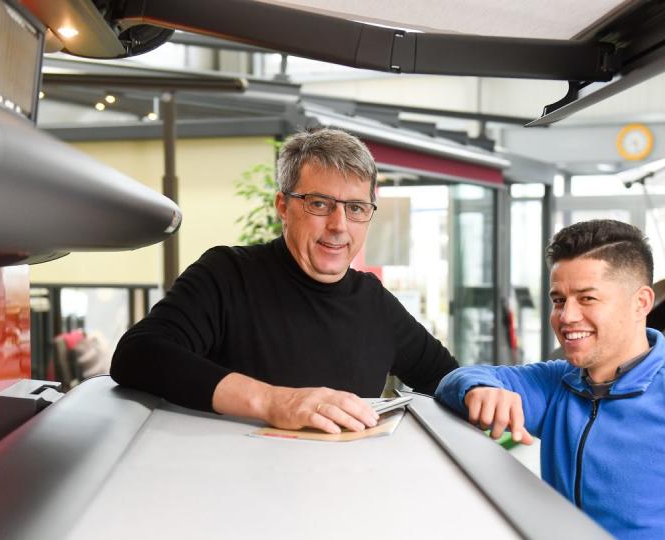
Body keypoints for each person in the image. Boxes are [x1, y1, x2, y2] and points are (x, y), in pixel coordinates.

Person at [435, 220, 665, 539]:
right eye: (558, 300)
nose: (566, 317)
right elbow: (456, 379)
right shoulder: (557, 383)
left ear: (641, 302)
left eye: (587, 298)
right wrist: (479, 389)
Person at [112, 128, 457, 435]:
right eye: (319, 204)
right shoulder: (227, 274)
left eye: (355, 208)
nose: (339, 225)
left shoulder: (375, 303)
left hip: (346, 490)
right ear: (282, 206)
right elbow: (138, 355)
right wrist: (274, 402)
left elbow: (444, 377)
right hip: (231, 490)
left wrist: (480, 389)